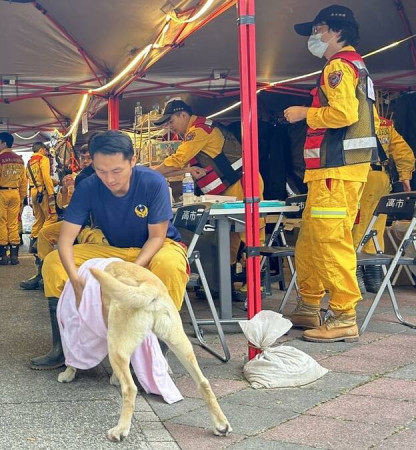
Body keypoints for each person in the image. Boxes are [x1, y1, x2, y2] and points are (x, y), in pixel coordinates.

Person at [30, 131, 189, 370]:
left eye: (116, 171)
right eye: (101, 171)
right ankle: (62, 347)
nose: (109, 179)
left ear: (132, 160)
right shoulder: (89, 186)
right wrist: (75, 279)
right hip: (112, 248)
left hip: (156, 247)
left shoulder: (152, 182)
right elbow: (65, 240)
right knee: (54, 262)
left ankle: (159, 350)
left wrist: (133, 271)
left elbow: (157, 237)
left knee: (169, 266)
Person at [284, 4, 379, 342]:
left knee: (329, 240)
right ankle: (309, 306)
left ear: (335, 31)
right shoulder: (353, 66)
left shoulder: (338, 67)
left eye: (317, 29)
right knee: (311, 239)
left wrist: (304, 113)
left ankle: (343, 315)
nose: (313, 37)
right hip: (333, 170)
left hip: (336, 171)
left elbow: (342, 113)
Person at [153, 99, 265, 274]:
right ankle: (225, 282)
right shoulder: (197, 129)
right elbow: (181, 165)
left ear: (183, 115)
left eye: (171, 121)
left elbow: (176, 160)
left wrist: (150, 173)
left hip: (244, 183)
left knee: (251, 235)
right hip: (231, 185)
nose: (169, 127)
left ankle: (255, 284)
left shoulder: (198, 131)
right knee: (229, 236)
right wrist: (186, 169)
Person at [20, 144, 106, 290]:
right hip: (74, 223)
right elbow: (63, 204)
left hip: (90, 225)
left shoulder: (102, 175)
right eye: (82, 158)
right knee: (44, 233)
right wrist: (65, 189)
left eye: (89, 158)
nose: (85, 161)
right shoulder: (73, 177)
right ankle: (42, 274)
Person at [352, 117, 414, 293]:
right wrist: (405, 176)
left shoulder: (350, 118)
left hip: (360, 179)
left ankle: (354, 274)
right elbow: (404, 152)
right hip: (382, 179)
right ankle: (375, 277)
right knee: (376, 227)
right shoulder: (386, 124)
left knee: (358, 226)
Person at [0, 132, 28, 265]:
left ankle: (1, 257)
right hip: (15, 194)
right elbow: (23, 181)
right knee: (13, 224)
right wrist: (21, 198)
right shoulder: (19, 159)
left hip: (1, 193)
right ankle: (14, 257)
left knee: (0, 224)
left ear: (4, 143)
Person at [27, 142, 58, 253]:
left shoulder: (29, 162)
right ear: (41, 150)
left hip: (34, 192)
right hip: (44, 192)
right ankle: (40, 241)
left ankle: (33, 243)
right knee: (51, 217)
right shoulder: (43, 159)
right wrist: (51, 193)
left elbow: (31, 179)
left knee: (39, 219)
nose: (46, 152)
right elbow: (45, 176)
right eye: (45, 150)